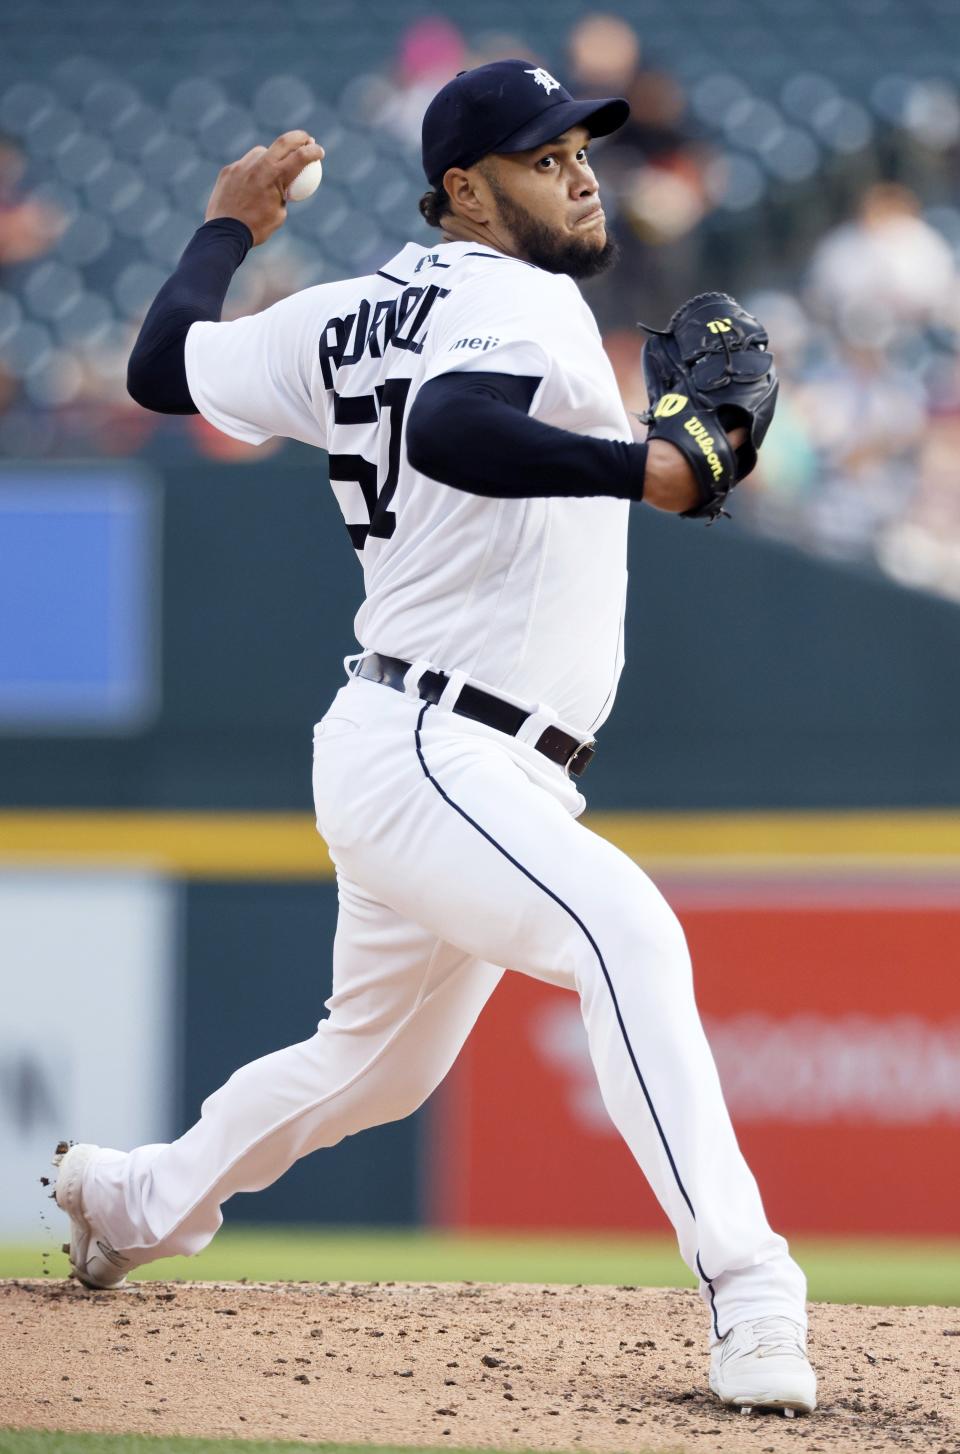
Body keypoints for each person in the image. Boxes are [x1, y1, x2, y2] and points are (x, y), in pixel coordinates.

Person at [54, 59, 816, 1417]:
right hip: (439, 746)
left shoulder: (341, 313)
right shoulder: (516, 298)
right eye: (543, 155)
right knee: (626, 936)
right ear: (466, 188)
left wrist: (227, 227)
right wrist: (646, 463)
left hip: (426, 743)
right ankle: (752, 1287)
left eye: (582, 147)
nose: (580, 170)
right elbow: (458, 425)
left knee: (372, 1063)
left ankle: (132, 1195)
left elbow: (163, 364)